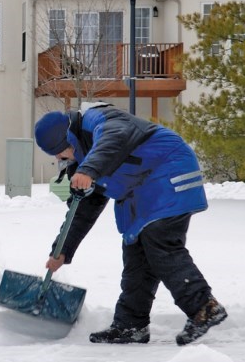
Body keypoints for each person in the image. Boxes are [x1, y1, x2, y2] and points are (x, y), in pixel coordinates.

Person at [34, 106, 226, 345]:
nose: (59, 159)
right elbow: (82, 211)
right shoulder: (84, 161)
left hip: (169, 173)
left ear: (68, 138)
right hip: (144, 192)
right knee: (137, 255)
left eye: (59, 152)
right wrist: (62, 250)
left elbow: (114, 138)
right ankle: (131, 326)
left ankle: (203, 306)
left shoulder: (99, 121)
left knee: (160, 243)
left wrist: (89, 169)